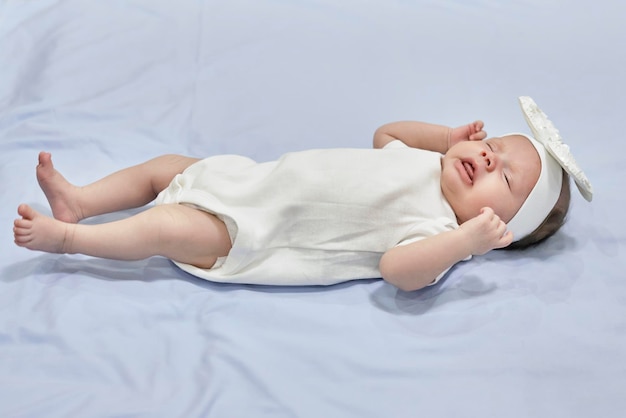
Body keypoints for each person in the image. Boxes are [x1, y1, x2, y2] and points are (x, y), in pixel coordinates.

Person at [12, 97, 591, 291]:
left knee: (165, 229)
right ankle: (82, 200)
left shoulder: (437, 231)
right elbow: (383, 134)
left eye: (505, 176)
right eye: (495, 145)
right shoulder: (419, 159)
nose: (488, 156)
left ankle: (70, 236)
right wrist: (443, 137)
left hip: (253, 238)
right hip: (247, 179)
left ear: (497, 225)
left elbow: (398, 272)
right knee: (167, 167)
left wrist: (465, 242)